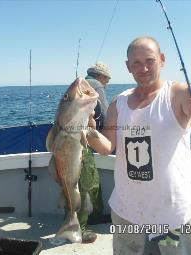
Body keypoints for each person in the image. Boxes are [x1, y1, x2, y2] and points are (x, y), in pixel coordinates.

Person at [86, 37, 191, 254]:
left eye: (149, 60)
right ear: (127, 67)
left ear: (162, 60)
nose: (143, 68)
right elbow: (107, 146)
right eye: (136, 63)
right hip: (126, 211)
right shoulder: (118, 102)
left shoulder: (180, 93)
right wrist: (86, 130)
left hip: (172, 214)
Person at [77, 61, 112, 243]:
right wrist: (109, 139)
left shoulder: (80, 84)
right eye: (107, 79)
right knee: (85, 185)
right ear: (100, 76)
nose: (106, 84)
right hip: (82, 144)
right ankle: (79, 226)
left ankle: (96, 215)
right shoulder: (96, 85)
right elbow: (105, 116)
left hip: (77, 142)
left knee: (94, 181)